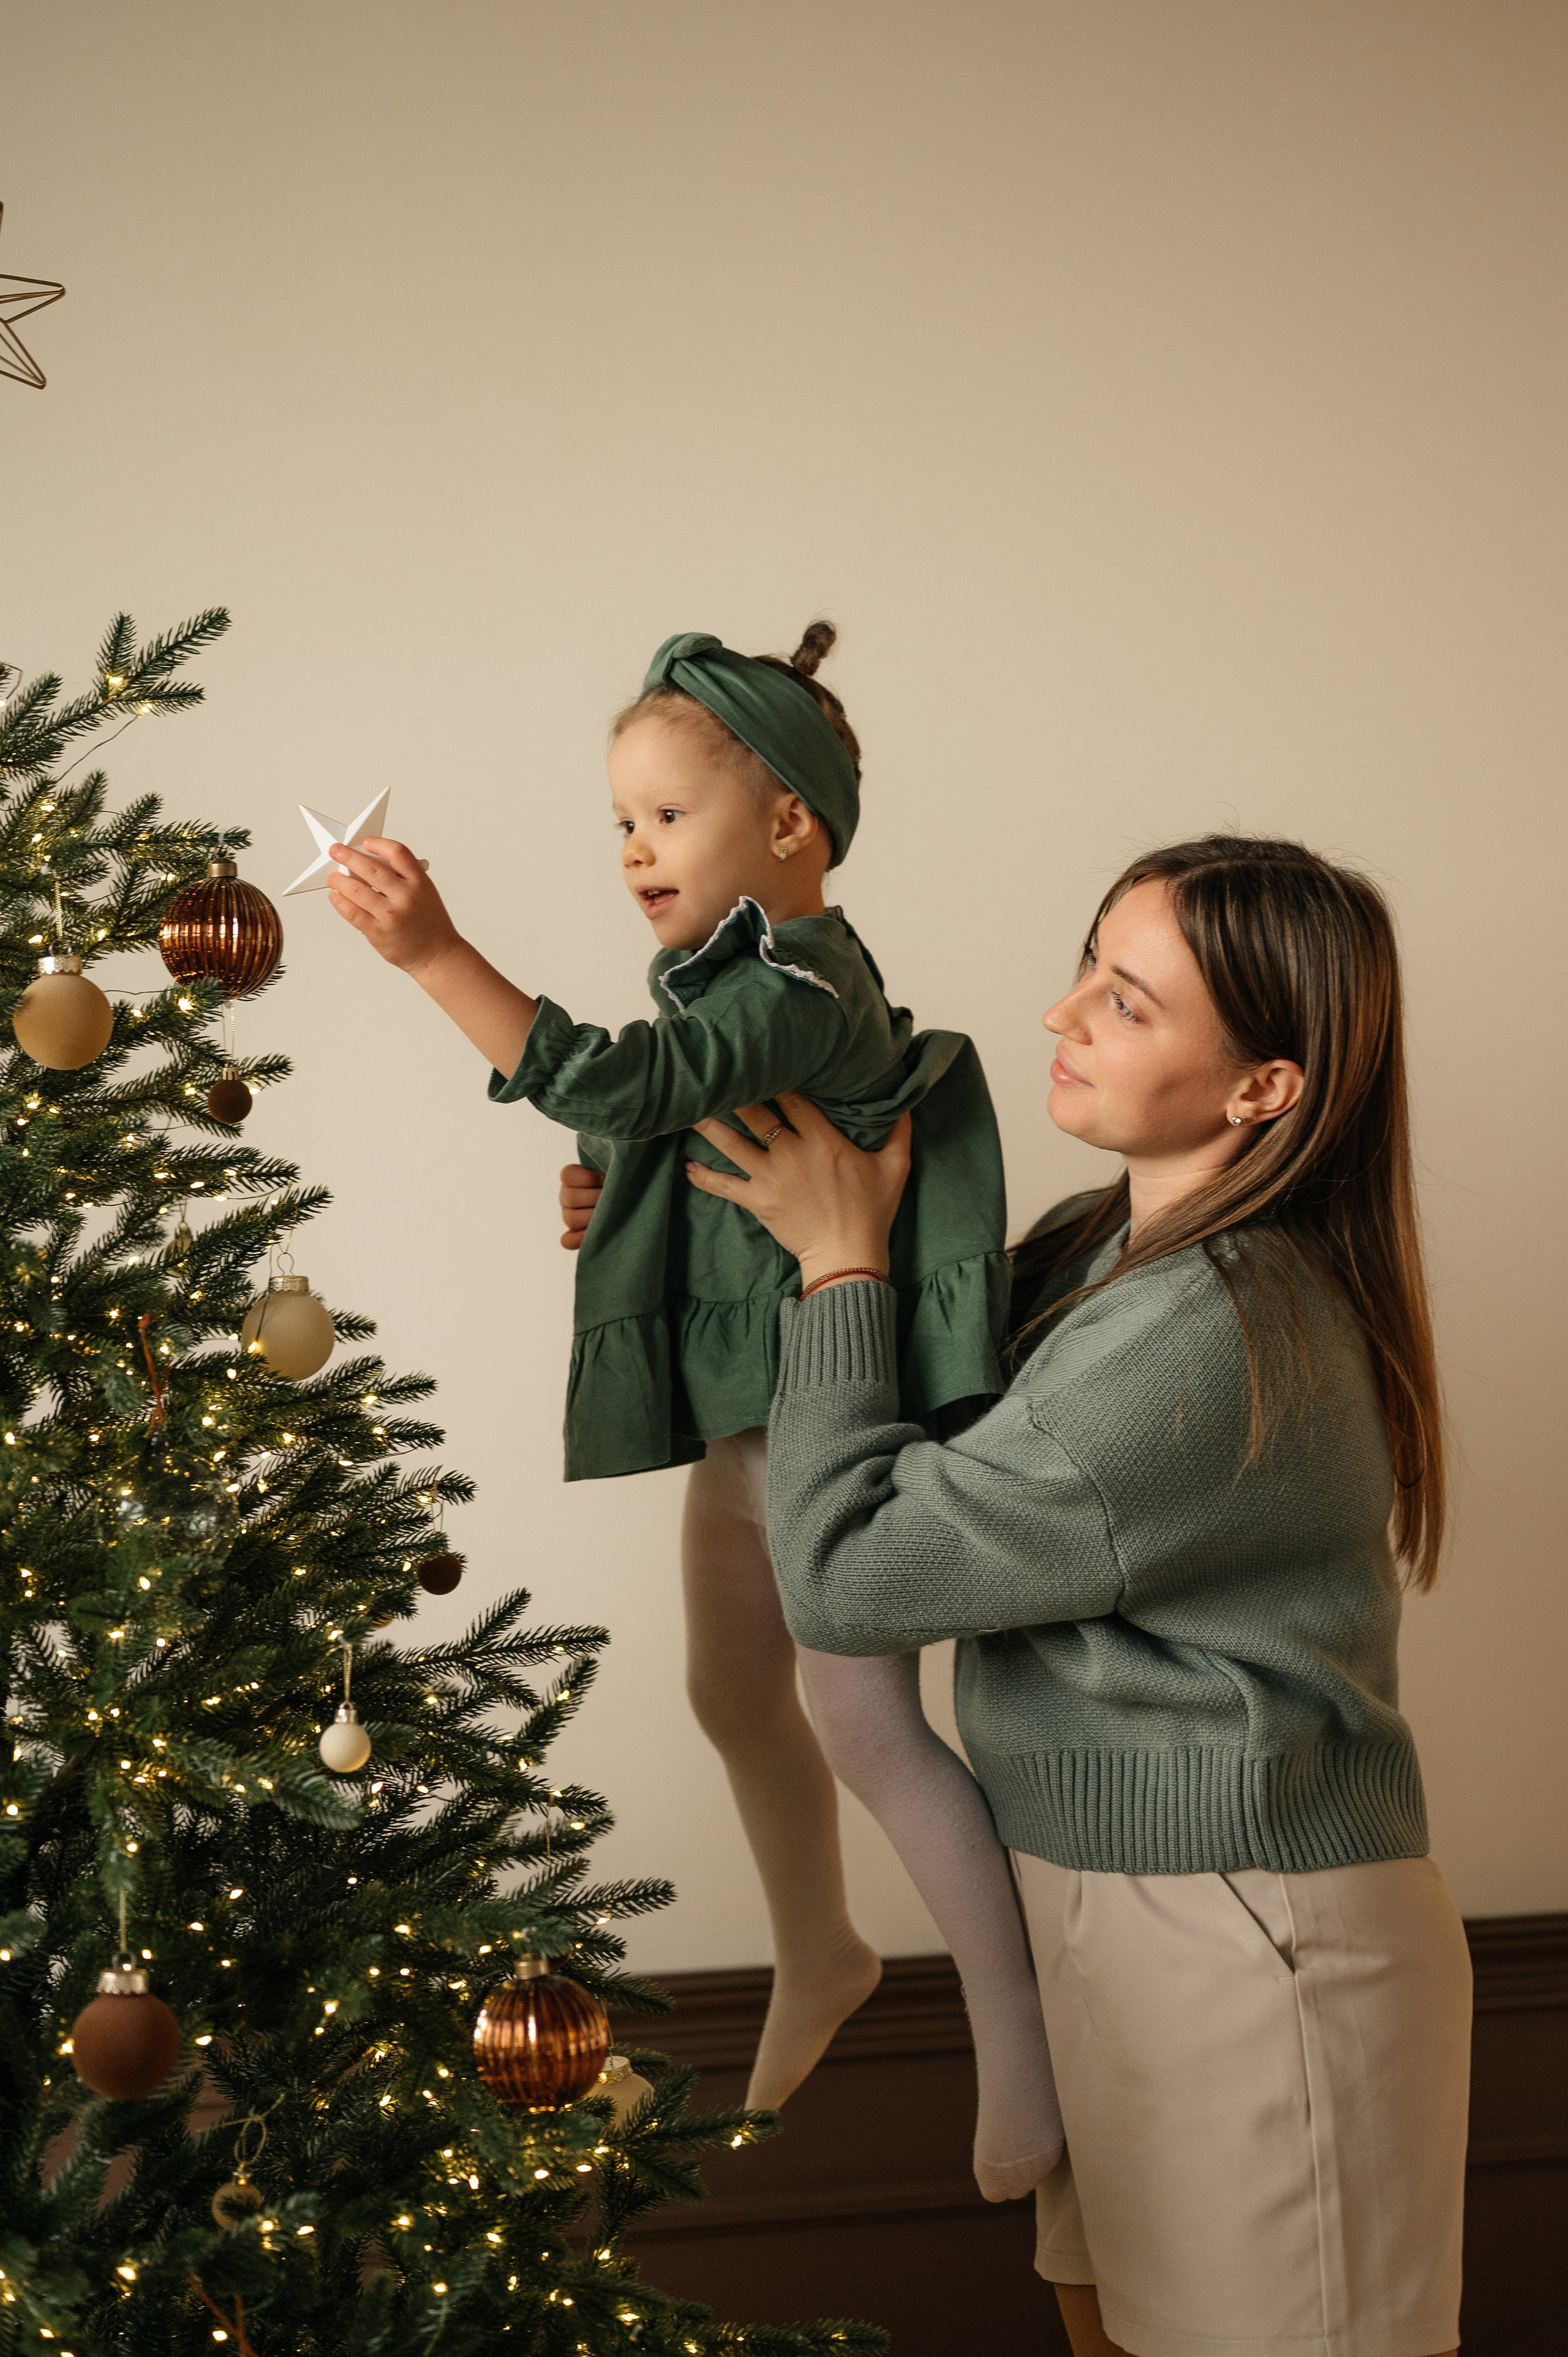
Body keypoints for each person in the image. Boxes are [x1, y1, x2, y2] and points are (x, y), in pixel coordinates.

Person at [674, 834, 1468, 2357]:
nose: (1058, 1016)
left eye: (1125, 998)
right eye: (1086, 969)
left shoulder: (1209, 1331)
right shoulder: (1093, 1256)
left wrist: (839, 1274)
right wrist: (718, 1232)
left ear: (1263, 1088)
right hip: (1105, 1902)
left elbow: (849, 1573)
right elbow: (892, 1405)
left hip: (1240, 1938)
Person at [323, 624, 1062, 2200]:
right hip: (750, 1406)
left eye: (663, 815)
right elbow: (672, 1113)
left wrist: (435, 955)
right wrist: (632, 1185)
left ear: (788, 825)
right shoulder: (735, 981)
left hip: (829, 1395)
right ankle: (823, 1946)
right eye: (620, 822)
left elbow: (626, 1074)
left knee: (867, 1722)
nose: (632, 850)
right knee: (734, 1691)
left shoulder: (801, 977)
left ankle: (1021, 2039)